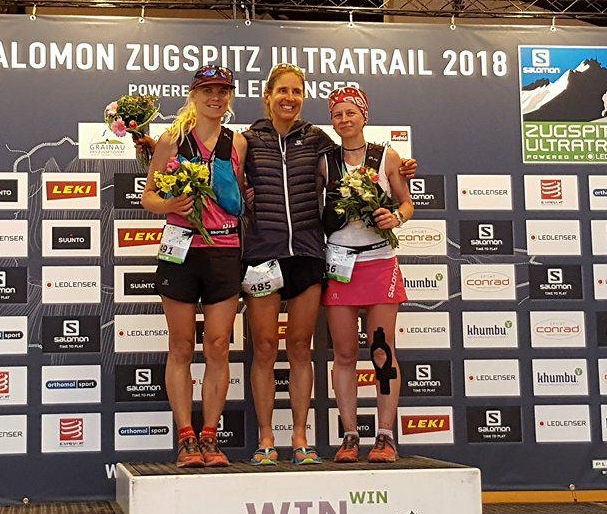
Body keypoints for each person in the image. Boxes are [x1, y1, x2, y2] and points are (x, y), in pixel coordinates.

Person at [242, 64, 417, 466]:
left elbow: (398, 190)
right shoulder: (250, 140)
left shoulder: (321, 142)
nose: (289, 98)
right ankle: (278, 439)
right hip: (267, 254)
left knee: (331, 349)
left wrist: (402, 185)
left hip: (318, 256)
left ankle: (328, 438)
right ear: (268, 95)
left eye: (296, 92)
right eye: (282, 90)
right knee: (272, 348)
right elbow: (226, 172)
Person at [141, 65, 247, 468]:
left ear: (229, 97)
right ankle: (186, 436)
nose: (215, 98)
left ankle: (210, 436)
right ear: (193, 95)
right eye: (208, 91)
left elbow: (242, 194)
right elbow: (148, 196)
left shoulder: (238, 142)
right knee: (182, 345)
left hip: (224, 249)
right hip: (181, 251)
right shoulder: (172, 139)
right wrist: (170, 204)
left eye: (223, 91)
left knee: (218, 345)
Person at [322, 86, 414, 463]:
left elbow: (406, 202)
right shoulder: (325, 160)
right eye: (337, 114)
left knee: (381, 351)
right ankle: (349, 435)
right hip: (340, 265)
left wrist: (397, 217)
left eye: (351, 113)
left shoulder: (386, 155)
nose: (344, 119)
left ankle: (385, 436)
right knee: (344, 353)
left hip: (379, 263)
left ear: (364, 116)